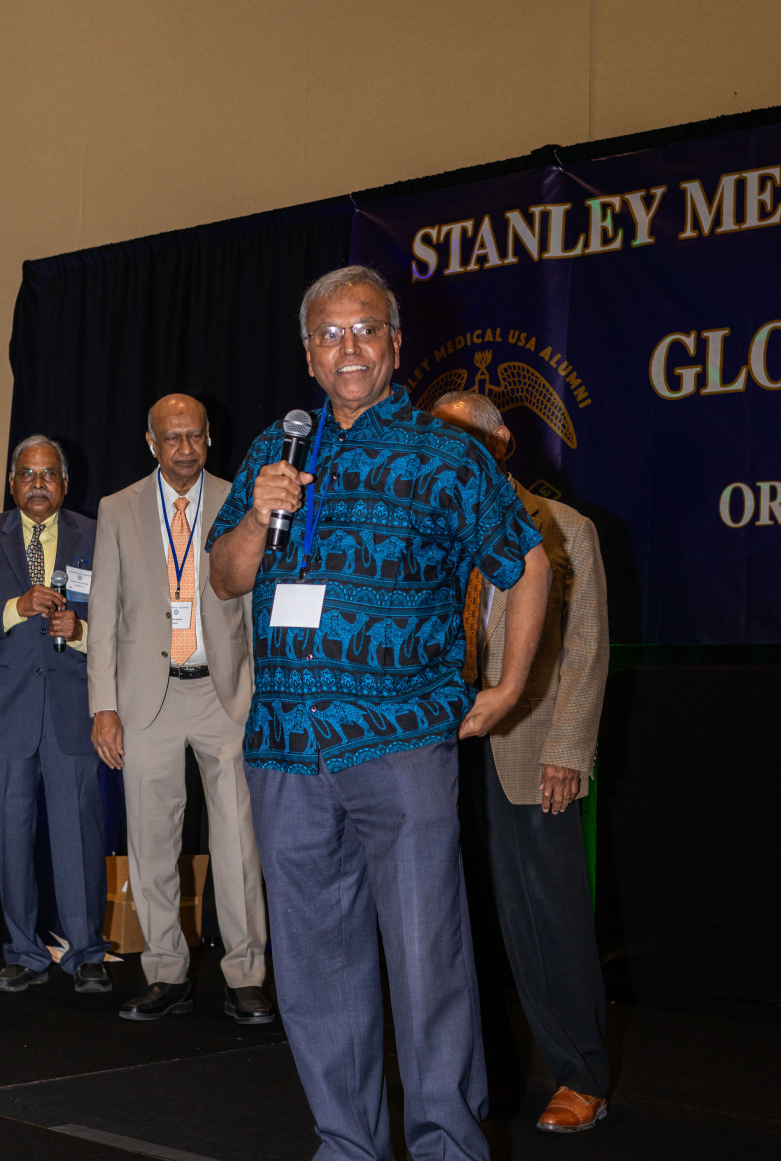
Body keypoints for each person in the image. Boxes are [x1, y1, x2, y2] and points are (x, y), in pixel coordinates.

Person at [207, 265, 551, 1161]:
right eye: (330, 335)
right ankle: (346, 1144)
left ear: (395, 345)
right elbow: (227, 576)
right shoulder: (274, 449)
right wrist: (259, 516)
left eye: (365, 330)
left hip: (399, 746)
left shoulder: (447, 454)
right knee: (316, 971)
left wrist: (508, 689)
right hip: (285, 752)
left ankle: (446, 1146)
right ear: (309, 355)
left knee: (429, 962)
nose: (348, 348)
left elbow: (526, 561)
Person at [433, 392, 610, 1134]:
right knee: (442, 920)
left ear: (501, 441)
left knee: (547, 919)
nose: (450, 450)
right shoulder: (427, 530)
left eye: (464, 435)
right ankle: (460, 1076)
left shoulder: (563, 528)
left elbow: (586, 647)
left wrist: (568, 747)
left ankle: (580, 1076)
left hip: (528, 746)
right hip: (434, 748)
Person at [88, 394, 271, 1024]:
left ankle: (246, 976)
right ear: (151, 443)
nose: (185, 449)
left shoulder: (241, 500)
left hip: (225, 695)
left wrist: (262, 693)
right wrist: (103, 706)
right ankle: (166, 973)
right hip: (147, 699)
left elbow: (256, 608)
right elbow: (103, 615)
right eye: (172, 438)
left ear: (209, 437)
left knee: (239, 843)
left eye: (194, 435)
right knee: (150, 840)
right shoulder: (118, 509)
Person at [0, 435, 110, 995]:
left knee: (79, 835)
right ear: (12, 483)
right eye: (27, 473)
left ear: (65, 483)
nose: (38, 483)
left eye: (48, 474)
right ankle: (22, 951)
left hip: (72, 710)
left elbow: (123, 618)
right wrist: (14, 609)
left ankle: (86, 952)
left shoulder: (97, 535)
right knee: (10, 837)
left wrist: (82, 630)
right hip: (9, 712)